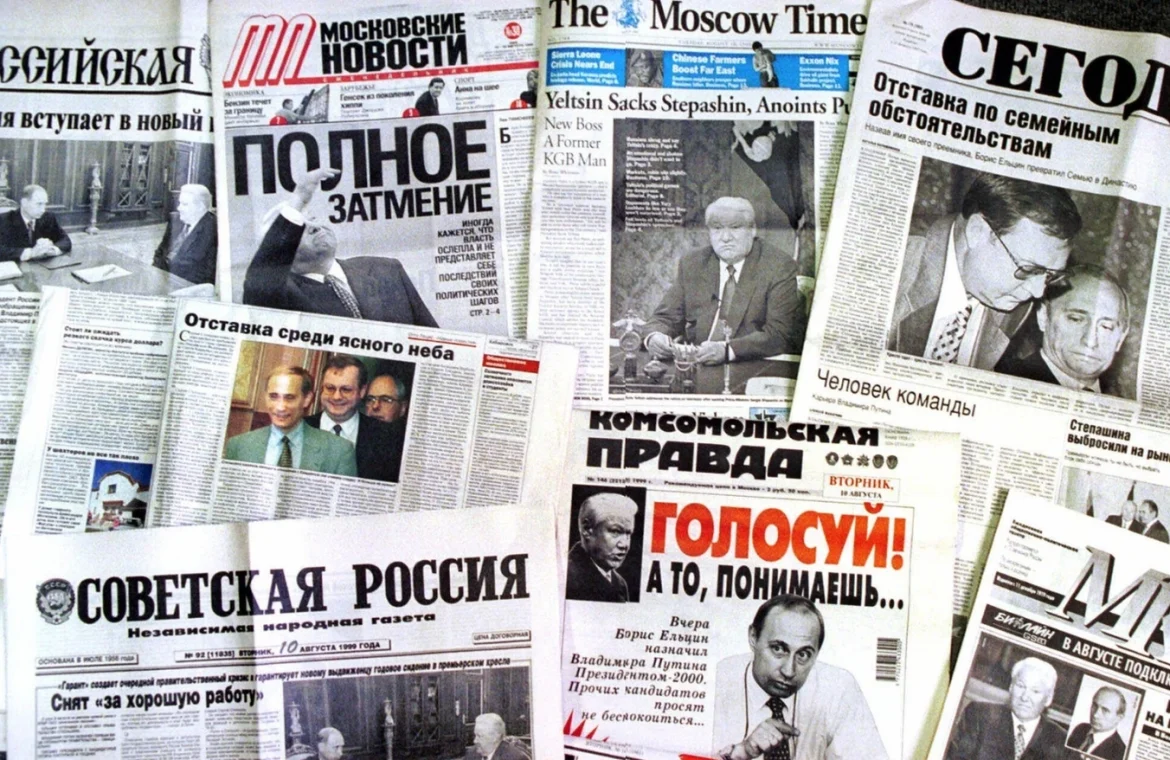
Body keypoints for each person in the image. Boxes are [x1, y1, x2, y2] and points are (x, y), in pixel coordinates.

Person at [889, 174, 1081, 369]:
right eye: (1028, 269)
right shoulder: (896, 260)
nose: (1038, 292)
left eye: (1050, 275)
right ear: (977, 231)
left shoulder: (1014, 303)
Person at [243, 168, 438, 327]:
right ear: (278, 248)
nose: (315, 227)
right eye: (300, 227)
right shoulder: (277, 296)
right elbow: (263, 278)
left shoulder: (387, 269)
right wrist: (299, 199)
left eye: (312, 218)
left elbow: (431, 338)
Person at [713, 595, 887, 760]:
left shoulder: (838, 688)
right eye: (778, 649)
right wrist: (740, 753)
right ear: (753, 637)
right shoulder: (716, 681)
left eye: (803, 654)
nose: (789, 671)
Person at [643, 197, 805, 366]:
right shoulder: (693, 263)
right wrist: (655, 336)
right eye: (717, 228)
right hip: (698, 365)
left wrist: (728, 350)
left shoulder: (778, 266)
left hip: (749, 364)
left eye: (735, 227)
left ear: (752, 230)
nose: (725, 237)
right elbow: (664, 318)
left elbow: (779, 334)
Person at [996, 266, 1129, 393]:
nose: (1090, 341)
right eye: (1075, 319)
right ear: (1043, 317)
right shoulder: (1005, 380)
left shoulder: (1124, 397)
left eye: (1106, 327)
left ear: (1121, 338)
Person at [224, 366, 357, 476]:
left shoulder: (339, 451)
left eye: (289, 398)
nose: (280, 407)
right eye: (273, 397)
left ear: (307, 399)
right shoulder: (238, 446)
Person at [944, 657, 1070, 760]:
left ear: (1048, 699)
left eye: (1035, 691)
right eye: (1021, 686)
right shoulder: (979, 714)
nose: (1024, 697)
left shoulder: (1060, 740)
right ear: (1011, 687)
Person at [305, 355, 404, 482]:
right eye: (330, 388)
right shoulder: (300, 428)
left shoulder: (387, 437)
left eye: (346, 390)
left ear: (362, 391)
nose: (336, 397)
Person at [566, 493, 638, 603]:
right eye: (615, 531)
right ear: (587, 529)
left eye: (628, 534)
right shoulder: (566, 577)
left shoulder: (620, 583)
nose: (625, 545)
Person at [152, 183, 216, 285]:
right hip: (163, 278)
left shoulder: (213, 229)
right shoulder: (176, 220)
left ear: (200, 207)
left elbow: (203, 273)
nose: (179, 208)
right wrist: (157, 275)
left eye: (184, 204)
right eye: (179, 203)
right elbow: (160, 252)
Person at [0, 184, 72, 262]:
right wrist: (31, 253)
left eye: (45, 204)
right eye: (39, 204)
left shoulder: (48, 217)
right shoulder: (4, 220)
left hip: (41, 265)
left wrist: (52, 250)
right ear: (24, 203)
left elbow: (65, 240)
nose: (43, 210)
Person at [1067, 687, 1128, 760]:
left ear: (1119, 718)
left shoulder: (1120, 753)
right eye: (1095, 705)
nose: (1095, 715)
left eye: (1105, 710)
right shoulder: (1080, 729)